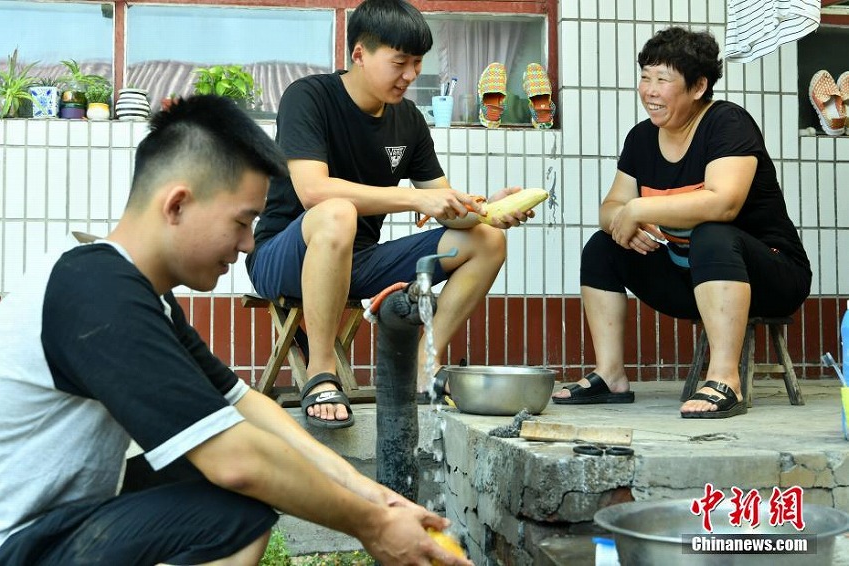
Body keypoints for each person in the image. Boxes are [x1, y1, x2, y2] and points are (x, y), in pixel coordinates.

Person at [0, 95, 471, 566]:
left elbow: (242, 402)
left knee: (233, 473)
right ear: (178, 205)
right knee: (234, 510)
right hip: (17, 541)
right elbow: (237, 462)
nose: (248, 243)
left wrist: (373, 496)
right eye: (243, 221)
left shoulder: (134, 290)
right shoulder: (97, 291)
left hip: (59, 524)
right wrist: (374, 527)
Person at [247, 0, 532, 429]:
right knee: (336, 211)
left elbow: (443, 203)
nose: (411, 75)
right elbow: (312, 191)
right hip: (284, 255)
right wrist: (417, 201)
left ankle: (425, 367)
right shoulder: (308, 97)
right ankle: (321, 372)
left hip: (359, 260)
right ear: (359, 53)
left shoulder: (409, 121)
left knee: (487, 242)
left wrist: (486, 212)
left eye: (418, 63)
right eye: (400, 62)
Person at [551, 27, 811, 419]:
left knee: (712, 232)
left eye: (663, 80)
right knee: (602, 246)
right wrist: (625, 220)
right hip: (694, 276)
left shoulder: (727, 123)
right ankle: (611, 375)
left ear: (698, 86)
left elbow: (723, 203)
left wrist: (639, 211)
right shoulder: (642, 138)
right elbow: (612, 208)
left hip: (769, 274)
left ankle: (725, 379)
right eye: (645, 77)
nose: (649, 90)